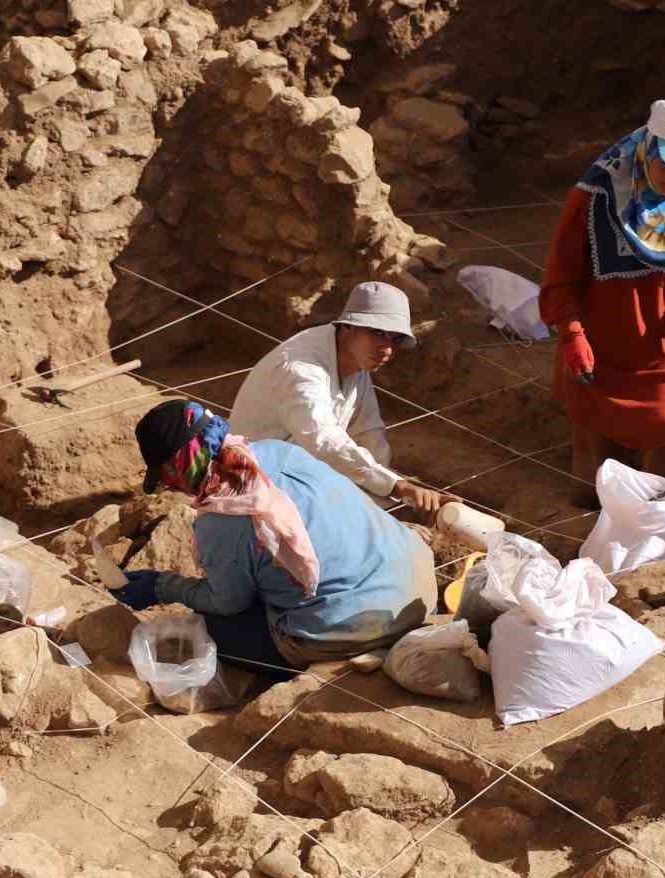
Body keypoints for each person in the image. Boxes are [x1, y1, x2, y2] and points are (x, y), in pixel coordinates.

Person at [110, 399, 438, 676]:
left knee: (207, 629)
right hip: (417, 584)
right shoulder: (277, 450)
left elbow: (229, 602)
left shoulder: (222, 518)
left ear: (178, 464)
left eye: (166, 476)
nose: (169, 486)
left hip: (357, 625)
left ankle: (344, 652)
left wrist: (161, 585)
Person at [539, 97, 665, 507]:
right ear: (649, 146)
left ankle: (651, 530)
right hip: (599, 342)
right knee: (591, 477)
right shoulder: (597, 195)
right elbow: (561, 274)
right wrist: (571, 333)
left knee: (663, 453)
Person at [229, 281, 449, 516]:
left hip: (300, 475)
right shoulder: (301, 368)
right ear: (348, 326)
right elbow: (323, 440)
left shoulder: (356, 359)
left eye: (394, 339)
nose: (386, 349)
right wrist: (398, 486)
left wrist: (391, 499)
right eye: (377, 333)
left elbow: (369, 431)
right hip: (249, 483)